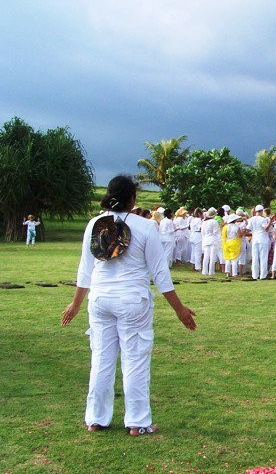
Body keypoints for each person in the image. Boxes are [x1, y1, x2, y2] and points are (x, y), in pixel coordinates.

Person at [60, 175, 196, 436]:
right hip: (132, 301)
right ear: (132, 199)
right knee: (135, 360)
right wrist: (179, 309)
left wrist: (75, 304)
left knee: (100, 359)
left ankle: (96, 419)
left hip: (100, 300)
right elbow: (160, 274)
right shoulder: (145, 227)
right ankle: (137, 422)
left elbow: (84, 270)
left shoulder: (94, 225)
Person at [246, 205, 275, 280]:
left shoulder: (251, 219)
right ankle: (263, 275)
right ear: (261, 211)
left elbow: (248, 229)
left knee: (255, 258)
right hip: (263, 239)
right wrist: (271, 221)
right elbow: (266, 229)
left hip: (255, 238)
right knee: (263, 257)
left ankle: (254, 275)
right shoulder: (262, 219)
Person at [222, 214, 244, 278]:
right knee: (234, 260)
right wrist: (243, 232)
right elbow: (239, 235)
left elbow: (224, 236)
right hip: (234, 243)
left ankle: (228, 273)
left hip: (227, 243)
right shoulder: (236, 227)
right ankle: (234, 274)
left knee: (228, 259)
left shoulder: (225, 227)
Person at [201, 207, 220, 276]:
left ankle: (204, 271)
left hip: (206, 240)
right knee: (212, 256)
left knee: (206, 256)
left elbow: (202, 232)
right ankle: (211, 271)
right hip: (213, 240)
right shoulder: (214, 222)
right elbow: (216, 232)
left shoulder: (204, 222)